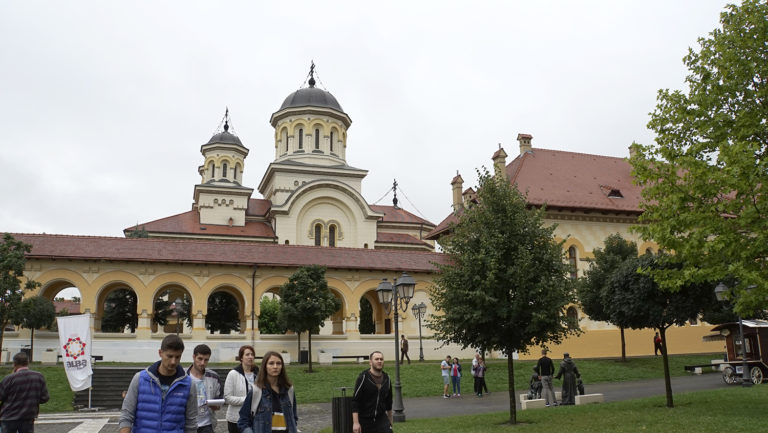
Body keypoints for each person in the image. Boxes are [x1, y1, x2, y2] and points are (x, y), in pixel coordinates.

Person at [119, 334, 197, 433]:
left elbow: (191, 423)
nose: (173, 361)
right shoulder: (140, 379)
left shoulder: (188, 384)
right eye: (169, 356)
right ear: (160, 353)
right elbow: (127, 414)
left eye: (177, 357)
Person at [238, 351, 298, 433]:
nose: (275, 366)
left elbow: (293, 418)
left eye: (278, 363)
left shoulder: (289, 390)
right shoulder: (256, 391)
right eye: (271, 363)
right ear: (265, 366)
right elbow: (243, 421)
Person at [0, 352, 49, 433]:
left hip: (9, 417)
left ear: (14, 363)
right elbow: (45, 398)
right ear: (27, 362)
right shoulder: (38, 376)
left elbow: (1, 396)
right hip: (28, 416)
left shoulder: (9, 378)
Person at [352, 351, 392, 433]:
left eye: (381, 359)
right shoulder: (363, 378)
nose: (379, 361)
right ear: (370, 362)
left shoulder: (387, 379)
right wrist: (356, 423)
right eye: (376, 359)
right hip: (365, 419)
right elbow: (355, 401)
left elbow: (389, 402)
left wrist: (390, 421)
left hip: (381, 419)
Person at [186, 344, 222, 433]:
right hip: (187, 424)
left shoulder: (214, 377)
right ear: (194, 357)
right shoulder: (183, 377)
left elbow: (220, 398)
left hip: (207, 424)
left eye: (206, 360)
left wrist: (216, 406)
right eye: (200, 359)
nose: (202, 363)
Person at [225, 345, 259, 433]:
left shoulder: (258, 373)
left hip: (255, 418)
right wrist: (248, 400)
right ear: (241, 358)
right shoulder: (233, 374)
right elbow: (227, 398)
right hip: (236, 419)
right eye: (247, 355)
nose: (250, 357)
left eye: (252, 354)